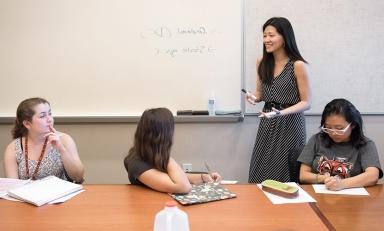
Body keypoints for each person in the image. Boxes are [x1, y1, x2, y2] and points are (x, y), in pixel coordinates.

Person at [246, 17, 311, 183]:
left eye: (271, 35)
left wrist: (281, 113)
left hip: (290, 122)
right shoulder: (261, 62)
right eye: (264, 36)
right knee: (262, 166)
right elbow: (260, 93)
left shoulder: (297, 65)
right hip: (268, 120)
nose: (266, 40)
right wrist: (253, 97)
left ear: (284, 38)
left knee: (286, 170)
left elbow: (306, 102)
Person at [124, 108, 221, 193]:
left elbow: (175, 177)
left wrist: (203, 177)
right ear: (162, 137)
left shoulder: (150, 154)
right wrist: (166, 156)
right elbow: (183, 187)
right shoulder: (137, 164)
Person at [298, 99, 383, 190]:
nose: (333, 133)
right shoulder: (316, 140)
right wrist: (325, 179)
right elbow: (303, 175)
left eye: (339, 128)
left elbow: (372, 176)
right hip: (318, 194)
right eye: (328, 127)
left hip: (352, 198)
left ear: (353, 125)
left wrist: (341, 184)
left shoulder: (366, 145)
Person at [3, 97, 84, 183]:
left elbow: (78, 177)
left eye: (50, 114)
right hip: (28, 195)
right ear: (27, 123)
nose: (49, 119)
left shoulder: (64, 140)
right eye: (42, 116)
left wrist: (61, 149)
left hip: (59, 194)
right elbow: (12, 185)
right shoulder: (13, 148)